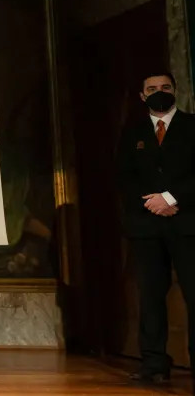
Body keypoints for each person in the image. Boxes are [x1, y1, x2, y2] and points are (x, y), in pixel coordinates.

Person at [119, 71, 195, 385]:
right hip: (146, 226)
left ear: (175, 90)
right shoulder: (132, 133)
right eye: (151, 88)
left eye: (165, 87)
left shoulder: (192, 125)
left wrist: (172, 198)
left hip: (188, 224)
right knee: (150, 297)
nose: (159, 91)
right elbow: (124, 177)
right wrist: (153, 203)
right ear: (142, 96)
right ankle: (153, 363)